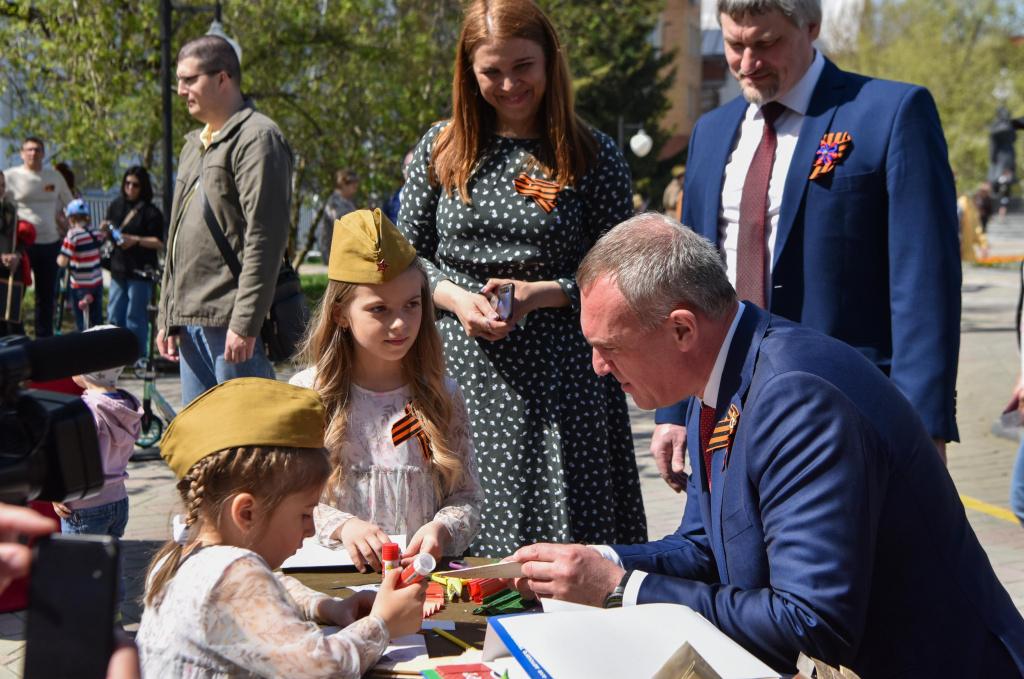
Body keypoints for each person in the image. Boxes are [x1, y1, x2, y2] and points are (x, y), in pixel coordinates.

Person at [512, 213, 1024, 678]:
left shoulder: (794, 398)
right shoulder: (718, 370)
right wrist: (593, 563)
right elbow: (703, 549)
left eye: (610, 348)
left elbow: (811, 620)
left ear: (682, 329)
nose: (599, 367)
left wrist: (621, 589)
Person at [651, 0, 961, 491]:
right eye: (735, 44)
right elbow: (684, 280)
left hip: (847, 407)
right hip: (723, 411)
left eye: (766, 43)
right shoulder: (710, 134)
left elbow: (924, 280)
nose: (748, 63)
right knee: (733, 563)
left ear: (811, 27)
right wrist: (672, 407)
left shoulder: (891, 113)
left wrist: (922, 426)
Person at [399, 0, 645, 556]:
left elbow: (625, 269)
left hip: (563, 381)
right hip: (460, 373)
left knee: (560, 543)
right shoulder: (441, 150)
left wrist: (545, 294)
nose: (509, 84)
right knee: (463, 525)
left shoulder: (591, 155)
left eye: (523, 66)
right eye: (492, 71)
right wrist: (456, 299)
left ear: (550, 62)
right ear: (469, 73)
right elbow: (405, 258)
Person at [136, 378, 427, 678]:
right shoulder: (232, 573)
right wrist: (382, 624)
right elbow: (320, 670)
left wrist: (327, 607)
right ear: (246, 513)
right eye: (304, 514)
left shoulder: (182, 556)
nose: (311, 530)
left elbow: (274, 587)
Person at [290, 209, 482, 572]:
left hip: (418, 584)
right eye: (379, 309)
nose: (400, 324)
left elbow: (467, 498)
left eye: (412, 305)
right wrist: (343, 526)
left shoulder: (440, 394)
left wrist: (442, 528)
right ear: (340, 314)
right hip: (334, 584)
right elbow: (287, 502)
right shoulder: (308, 396)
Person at [156, 35, 291, 405]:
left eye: (189, 79)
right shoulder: (193, 143)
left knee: (248, 446)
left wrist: (245, 322)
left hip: (230, 324)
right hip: (192, 320)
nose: (181, 90)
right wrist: (168, 315)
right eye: (179, 81)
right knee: (203, 449)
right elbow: (176, 237)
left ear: (222, 78)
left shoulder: (257, 138)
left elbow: (265, 238)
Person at [51, 325, 142, 606]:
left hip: (84, 506)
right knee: (109, 564)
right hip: (118, 500)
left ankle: (84, 628)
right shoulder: (127, 405)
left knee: (80, 570)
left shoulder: (86, 411)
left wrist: (58, 490)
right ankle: (111, 618)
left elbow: (74, 458)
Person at [3, 137, 73, 337]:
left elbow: (71, 203)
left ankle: (44, 341)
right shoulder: (10, 176)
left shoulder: (55, 177)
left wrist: (74, 226)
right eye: (29, 150)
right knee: (17, 294)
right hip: (21, 246)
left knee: (46, 296)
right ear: (22, 153)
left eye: (38, 150)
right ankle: (14, 337)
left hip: (50, 243)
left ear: (43, 153)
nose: (33, 153)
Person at [103, 167, 165, 357]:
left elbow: (159, 243)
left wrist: (136, 240)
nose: (130, 188)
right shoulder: (116, 205)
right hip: (118, 269)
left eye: (135, 185)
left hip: (140, 272)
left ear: (142, 187)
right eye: (127, 183)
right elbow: (110, 233)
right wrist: (106, 230)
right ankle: (114, 357)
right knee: (114, 316)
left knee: (135, 317)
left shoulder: (151, 212)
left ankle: (137, 357)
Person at [57, 198, 104, 330]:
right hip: (97, 282)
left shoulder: (73, 235)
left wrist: (58, 258)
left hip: (80, 285)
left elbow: (63, 261)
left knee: (82, 322)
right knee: (96, 319)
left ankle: (85, 347)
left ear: (71, 218)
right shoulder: (95, 233)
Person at [0, 173, 32, 336]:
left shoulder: (10, 209)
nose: (0, 189)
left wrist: (17, 255)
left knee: (12, 321)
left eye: (2, 185)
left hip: (11, 272)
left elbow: (21, 240)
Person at [319, 169, 359, 266]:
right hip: (336, 256)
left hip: (344, 254)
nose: (356, 186)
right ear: (343, 183)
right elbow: (346, 225)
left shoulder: (346, 201)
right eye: (353, 183)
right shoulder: (335, 202)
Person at [382, 150, 415, 224]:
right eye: (406, 166)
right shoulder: (391, 202)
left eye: (413, 165)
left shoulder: (432, 199)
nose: (409, 169)